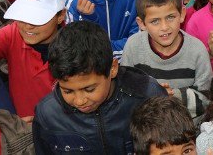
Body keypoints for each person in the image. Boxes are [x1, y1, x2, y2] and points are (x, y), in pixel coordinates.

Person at [32, 20, 166, 155]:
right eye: (67, 91)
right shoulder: (48, 114)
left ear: (112, 68)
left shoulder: (148, 97)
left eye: (89, 89)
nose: (79, 101)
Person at [120, 0, 213, 121]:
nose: (164, 27)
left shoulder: (197, 50)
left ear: (182, 14)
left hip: (187, 130)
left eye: (170, 17)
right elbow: (124, 92)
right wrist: (154, 94)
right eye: (155, 21)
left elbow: (206, 99)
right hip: (146, 127)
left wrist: (172, 96)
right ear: (142, 24)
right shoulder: (133, 46)